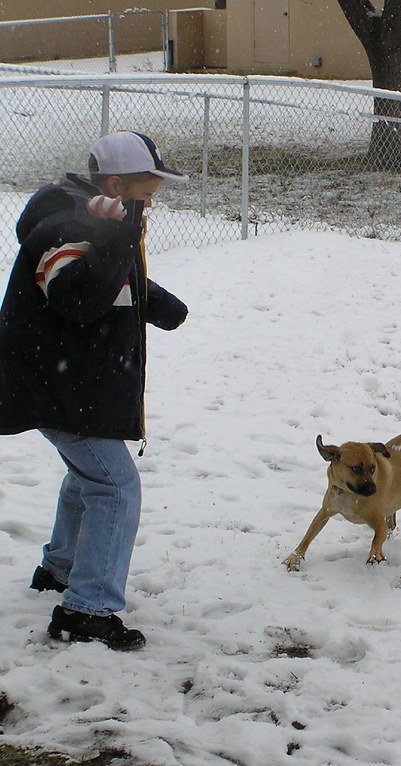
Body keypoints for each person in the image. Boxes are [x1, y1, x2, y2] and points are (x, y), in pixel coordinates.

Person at [0, 131, 189, 650]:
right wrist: (117, 238)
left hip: (73, 383)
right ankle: (87, 610)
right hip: (58, 387)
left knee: (88, 476)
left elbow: (111, 280)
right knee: (115, 487)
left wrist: (157, 302)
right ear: (116, 186)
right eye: (146, 193)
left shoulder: (100, 222)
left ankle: (60, 569)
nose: (150, 203)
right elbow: (77, 297)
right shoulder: (65, 228)